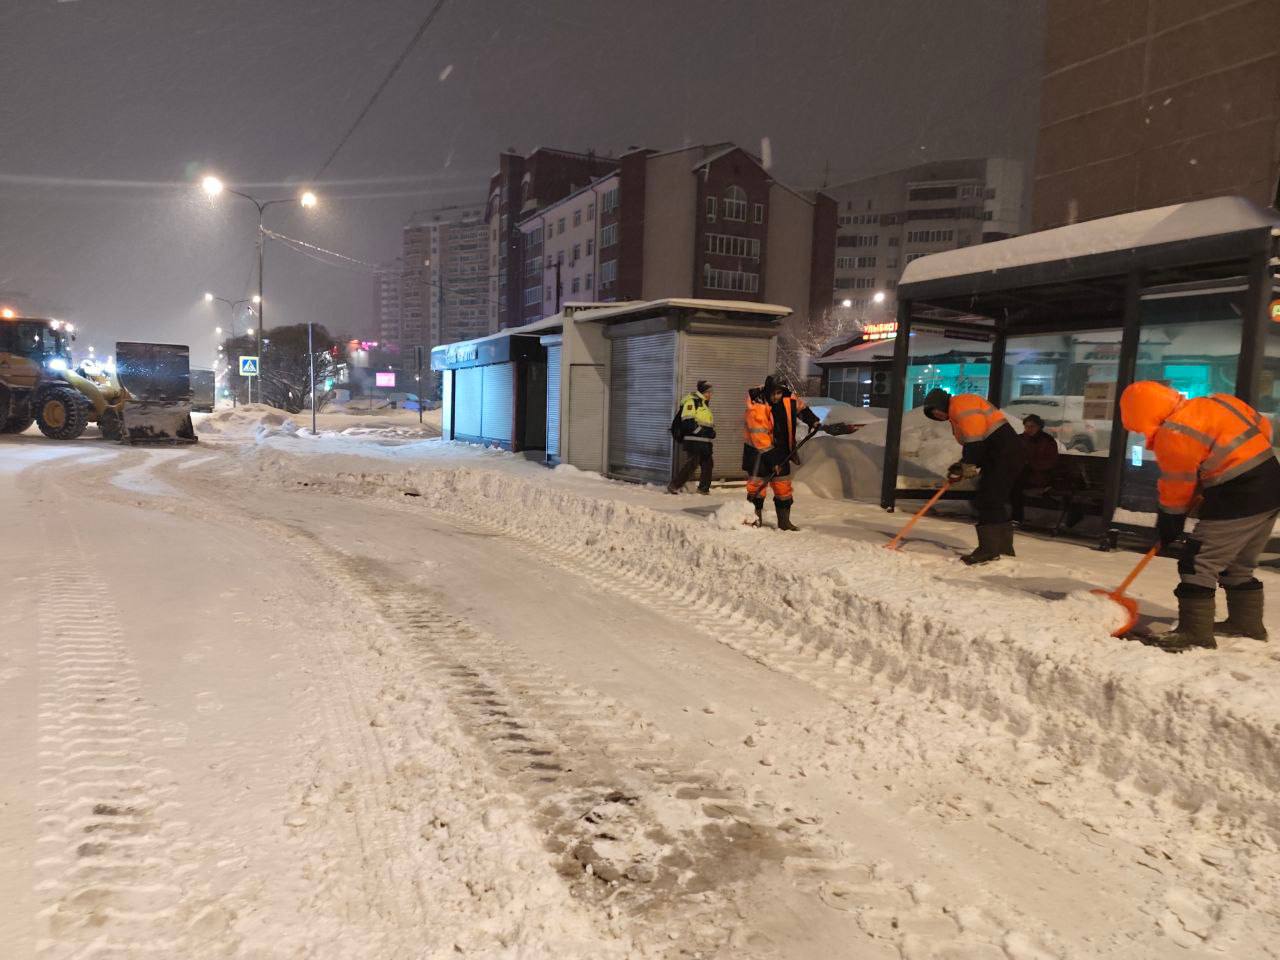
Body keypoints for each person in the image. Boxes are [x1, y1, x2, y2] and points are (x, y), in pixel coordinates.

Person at [1119, 381, 1280, 651]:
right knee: (1238, 563)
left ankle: (1194, 633)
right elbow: (1262, 426)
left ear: (1141, 414)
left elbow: (1177, 484)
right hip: (1271, 482)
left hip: (1239, 494)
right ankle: (1246, 625)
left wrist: (1170, 519)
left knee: (1197, 562)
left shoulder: (1174, 432)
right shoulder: (1217, 402)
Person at [922, 388, 1027, 564]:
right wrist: (962, 465)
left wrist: (968, 463)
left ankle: (989, 550)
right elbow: (979, 445)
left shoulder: (961, 405)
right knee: (992, 500)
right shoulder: (957, 411)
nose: (938, 415)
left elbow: (975, 441)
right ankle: (1002, 548)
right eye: (934, 415)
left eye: (936, 411)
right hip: (1000, 455)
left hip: (1004, 455)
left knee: (989, 500)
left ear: (941, 402)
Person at [743, 374, 821, 530]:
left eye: (779, 393)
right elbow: (760, 438)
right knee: (757, 487)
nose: (776, 397)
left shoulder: (788, 398)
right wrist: (773, 461)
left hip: (782, 450)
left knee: (783, 487)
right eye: (773, 393)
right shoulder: (757, 405)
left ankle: (784, 522)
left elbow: (801, 408)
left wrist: (812, 420)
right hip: (759, 453)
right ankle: (754, 519)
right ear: (767, 391)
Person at [1010, 414, 1060, 525]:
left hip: (1039, 475)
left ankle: (1016, 517)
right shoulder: (1020, 439)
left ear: (1039, 427)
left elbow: (1051, 462)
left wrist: (1031, 464)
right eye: (1026, 426)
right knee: (1009, 482)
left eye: (1032, 426)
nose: (1029, 429)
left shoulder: (1047, 441)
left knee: (1016, 485)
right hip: (1021, 473)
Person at [668, 380, 715, 494]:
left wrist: (711, 432)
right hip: (694, 440)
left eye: (711, 392)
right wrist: (702, 432)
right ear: (703, 391)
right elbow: (688, 422)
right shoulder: (692, 402)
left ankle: (703, 489)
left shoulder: (704, 404)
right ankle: (674, 485)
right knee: (692, 464)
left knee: (708, 463)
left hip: (704, 441)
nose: (710, 394)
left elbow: (704, 422)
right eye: (708, 392)